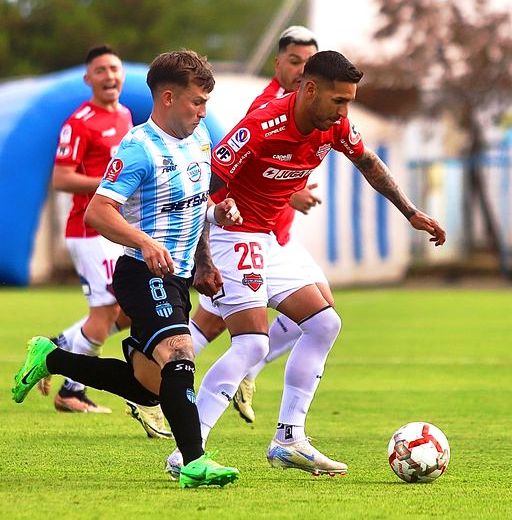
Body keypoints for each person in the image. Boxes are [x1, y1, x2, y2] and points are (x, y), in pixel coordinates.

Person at [165, 50, 446, 477]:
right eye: (339, 101)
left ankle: (288, 438)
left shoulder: (333, 127)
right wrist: (203, 260)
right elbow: (203, 189)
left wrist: (411, 213)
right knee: (252, 344)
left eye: (349, 102)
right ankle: (189, 450)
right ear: (309, 89)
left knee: (323, 323)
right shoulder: (261, 126)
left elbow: (368, 163)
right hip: (230, 233)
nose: (344, 112)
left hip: (267, 239)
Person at [12, 50, 242, 489]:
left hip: (178, 276)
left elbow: (196, 208)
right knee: (179, 353)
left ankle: (52, 357)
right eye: (197, 102)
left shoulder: (199, 141)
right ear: (169, 97)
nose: (203, 111)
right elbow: (98, 213)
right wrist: (143, 241)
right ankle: (194, 462)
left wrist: (216, 228)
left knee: (149, 386)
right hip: (141, 273)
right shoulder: (138, 147)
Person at [191, 25, 325, 424]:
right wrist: (291, 193)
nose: (302, 70)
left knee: (321, 318)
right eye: (294, 61)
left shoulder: (314, 107)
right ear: (278, 62)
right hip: (243, 231)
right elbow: (239, 169)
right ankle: (149, 385)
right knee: (231, 332)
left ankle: (283, 426)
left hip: (273, 232)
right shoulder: (267, 108)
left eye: (309, 63)